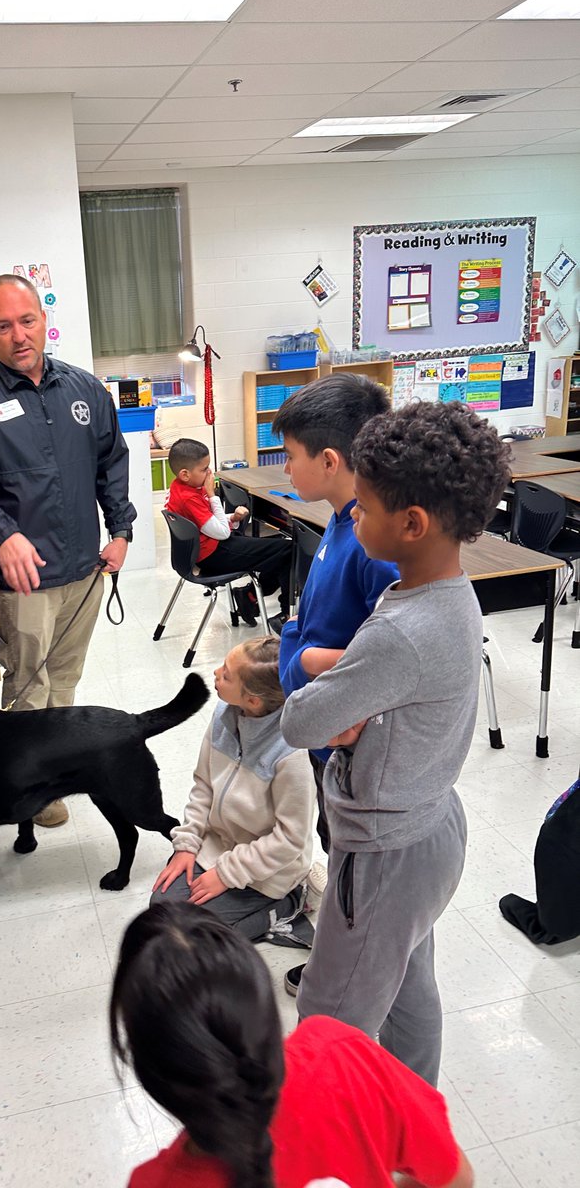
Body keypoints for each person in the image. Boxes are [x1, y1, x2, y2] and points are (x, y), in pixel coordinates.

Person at [279, 400, 511, 1087]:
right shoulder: (445, 596)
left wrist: (333, 686)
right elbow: (362, 690)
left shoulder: (399, 631)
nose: (353, 515)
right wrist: (346, 682)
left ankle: (320, 1147)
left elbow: (299, 723)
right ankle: (418, 1130)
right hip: (430, 830)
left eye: (367, 506)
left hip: (381, 856)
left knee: (327, 1019)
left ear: (411, 524)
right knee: (410, 995)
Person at [0, 274, 136, 827]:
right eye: (4, 326)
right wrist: (3, 534)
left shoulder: (85, 390)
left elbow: (111, 464)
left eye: (27, 321)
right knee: (28, 684)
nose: (18, 335)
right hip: (22, 580)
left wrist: (120, 530)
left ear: (43, 318)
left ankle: (60, 767)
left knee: (65, 679)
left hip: (84, 568)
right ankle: (26, 785)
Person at [112, 901, 475, 1188]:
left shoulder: (154, 1182)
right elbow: (456, 1177)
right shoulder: (341, 1052)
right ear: (266, 1013)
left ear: (147, 1069)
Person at [271, 372, 398, 993]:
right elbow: (302, 628)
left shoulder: (374, 545)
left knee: (356, 875)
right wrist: (299, 648)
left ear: (328, 459)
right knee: (336, 852)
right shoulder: (342, 526)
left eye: (289, 457)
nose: (284, 470)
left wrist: (297, 658)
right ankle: (346, 951)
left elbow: (382, 658)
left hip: (355, 752)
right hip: (325, 739)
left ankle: (348, 972)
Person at [152, 636, 315, 949]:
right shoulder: (224, 715)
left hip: (267, 875)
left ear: (253, 700)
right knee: (161, 914)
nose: (215, 673)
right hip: (217, 848)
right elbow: (203, 784)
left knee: (193, 941)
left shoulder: (291, 754)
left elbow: (290, 840)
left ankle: (293, 901)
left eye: (226, 674)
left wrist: (226, 874)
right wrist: (187, 845)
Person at [166, 438, 292, 625]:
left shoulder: (179, 487)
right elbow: (222, 533)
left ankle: (249, 597)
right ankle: (285, 614)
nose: (209, 473)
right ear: (185, 474)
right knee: (288, 551)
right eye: (204, 469)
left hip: (205, 550)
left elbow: (207, 523)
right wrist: (212, 495)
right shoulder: (190, 498)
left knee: (278, 548)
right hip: (214, 555)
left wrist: (231, 518)